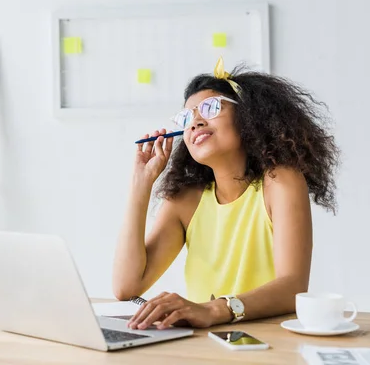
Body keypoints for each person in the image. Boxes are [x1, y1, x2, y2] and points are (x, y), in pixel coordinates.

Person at [113, 57, 339, 330]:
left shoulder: (280, 182)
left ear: (247, 116)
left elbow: (293, 287)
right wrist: (141, 184)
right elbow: (126, 287)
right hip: (203, 346)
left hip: (269, 343)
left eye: (210, 108)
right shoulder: (185, 202)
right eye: (187, 118)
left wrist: (214, 309)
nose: (195, 122)